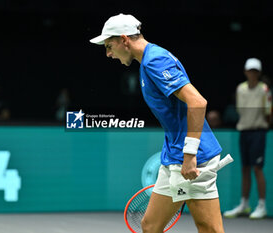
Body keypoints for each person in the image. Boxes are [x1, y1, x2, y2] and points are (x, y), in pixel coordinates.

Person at [90, 14, 224, 233]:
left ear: (124, 39)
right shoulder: (148, 61)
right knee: (150, 226)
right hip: (174, 156)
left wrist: (189, 155)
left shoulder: (154, 61)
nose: (108, 54)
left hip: (193, 158)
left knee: (209, 229)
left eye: (109, 46)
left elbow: (197, 102)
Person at [223, 58, 272, 219]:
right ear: (245, 72)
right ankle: (244, 204)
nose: (252, 73)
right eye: (250, 70)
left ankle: (262, 206)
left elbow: (268, 113)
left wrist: (263, 123)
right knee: (245, 168)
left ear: (258, 73)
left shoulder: (264, 90)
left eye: (255, 71)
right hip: (244, 132)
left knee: (257, 168)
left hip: (258, 132)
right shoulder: (240, 89)